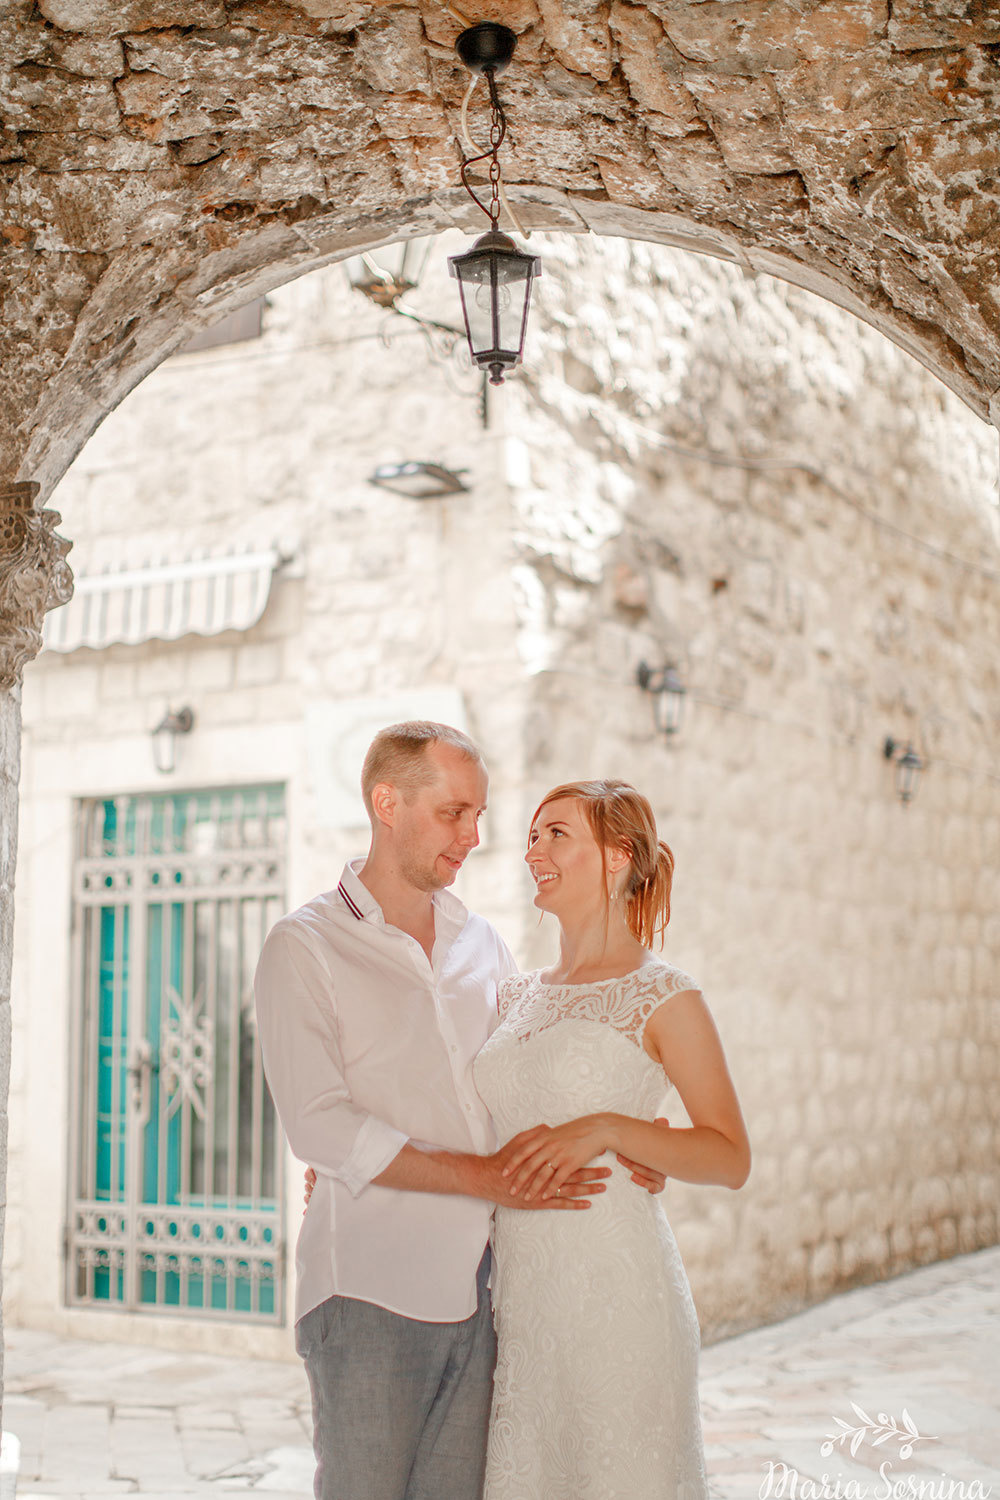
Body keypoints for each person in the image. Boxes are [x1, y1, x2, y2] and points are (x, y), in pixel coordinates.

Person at [254, 723, 666, 1500]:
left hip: (491, 1290)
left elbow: (522, 1085)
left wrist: (629, 1143)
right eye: (454, 814)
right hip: (370, 1292)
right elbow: (319, 1126)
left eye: (479, 815)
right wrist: (482, 1177)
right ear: (387, 803)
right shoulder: (303, 947)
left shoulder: (483, 944)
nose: (475, 837)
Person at [473, 778, 751, 1500]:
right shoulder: (511, 994)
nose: (533, 849)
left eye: (556, 834)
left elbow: (728, 1156)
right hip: (522, 1306)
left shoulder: (665, 996)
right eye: (532, 835)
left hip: (621, 1301)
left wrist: (607, 1128)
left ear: (617, 856)